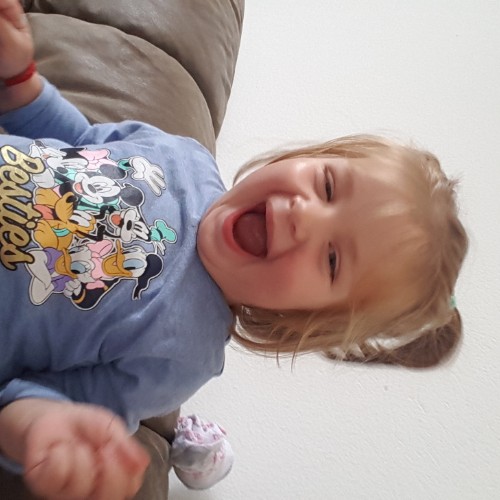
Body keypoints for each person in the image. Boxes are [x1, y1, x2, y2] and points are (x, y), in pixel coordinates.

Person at [0, 0, 468, 498]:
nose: (303, 215)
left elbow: (28, 405)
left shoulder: (183, 357)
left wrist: (42, 429)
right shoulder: (185, 156)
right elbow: (80, 140)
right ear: (306, 156)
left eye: (332, 259)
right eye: (328, 185)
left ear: (303, 318)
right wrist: (21, 80)